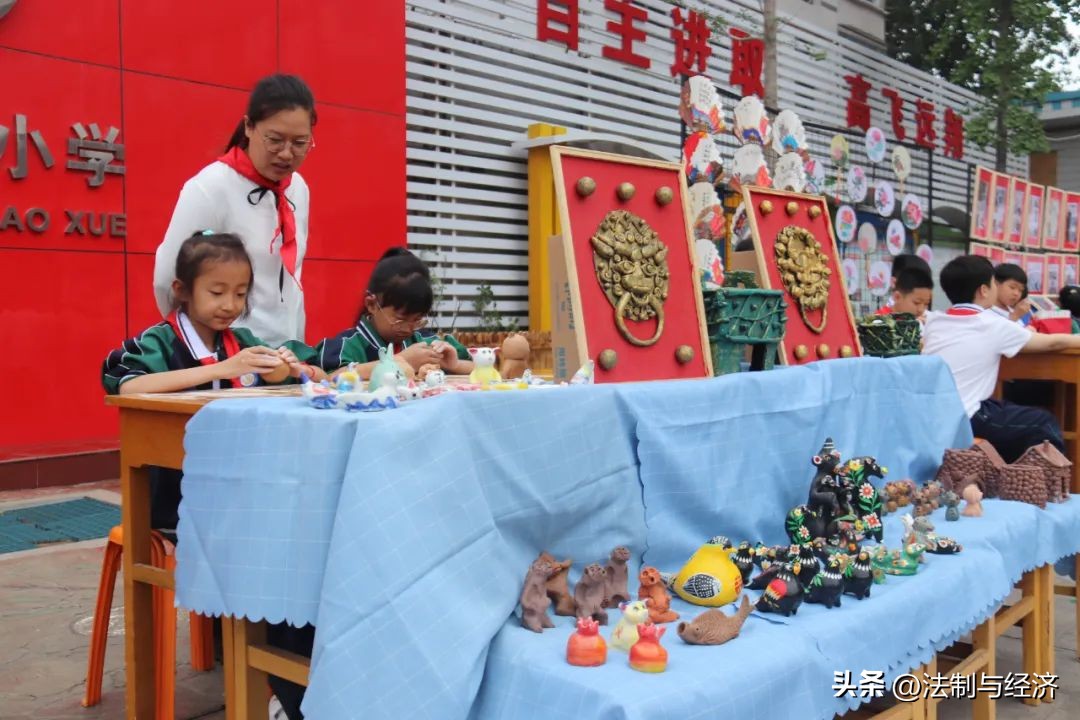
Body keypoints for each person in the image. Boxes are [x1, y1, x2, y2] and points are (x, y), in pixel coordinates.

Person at [102, 232, 315, 525]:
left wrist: (282, 368)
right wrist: (222, 369)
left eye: (240, 294)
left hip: (236, 487)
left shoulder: (241, 340)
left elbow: (273, 380)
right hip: (173, 496)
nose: (230, 305)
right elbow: (129, 387)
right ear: (182, 290)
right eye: (217, 292)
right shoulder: (158, 341)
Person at [154, 74, 317, 347]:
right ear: (249, 127)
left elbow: (293, 275)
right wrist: (202, 348)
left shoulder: (298, 189)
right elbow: (168, 279)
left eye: (300, 143)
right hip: (230, 357)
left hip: (287, 354)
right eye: (275, 140)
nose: (287, 154)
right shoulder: (211, 187)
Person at [922, 255, 1079, 462]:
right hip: (968, 415)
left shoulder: (935, 320)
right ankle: (1044, 487)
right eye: (995, 282)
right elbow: (1052, 343)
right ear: (984, 290)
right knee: (1043, 423)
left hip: (932, 413)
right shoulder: (991, 323)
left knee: (1005, 410)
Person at [314, 247, 474, 378]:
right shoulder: (347, 345)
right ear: (371, 304)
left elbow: (487, 369)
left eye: (418, 320)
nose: (409, 328)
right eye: (401, 319)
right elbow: (329, 378)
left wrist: (454, 365)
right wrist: (401, 360)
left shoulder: (424, 342)